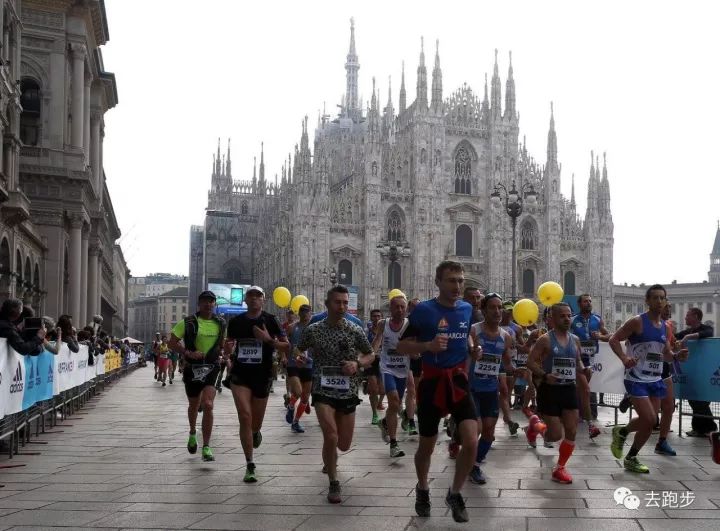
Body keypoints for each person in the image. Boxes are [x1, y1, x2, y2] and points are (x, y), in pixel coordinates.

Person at [396, 261, 477, 524]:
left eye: (461, 281)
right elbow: (401, 346)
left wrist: (472, 347)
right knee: (426, 447)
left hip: (458, 379)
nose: (457, 286)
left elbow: (465, 335)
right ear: (438, 282)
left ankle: (454, 493)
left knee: (471, 440)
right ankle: (422, 488)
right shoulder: (423, 311)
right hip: (431, 382)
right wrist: (428, 345)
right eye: (452, 280)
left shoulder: (467, 308)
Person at [296, 285, 375, 504]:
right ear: (328, 304)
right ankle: (333, 481)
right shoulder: (314, 329)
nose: (342, 307)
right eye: (338, 302)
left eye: (345, 303)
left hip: (347, 390)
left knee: (343, 444)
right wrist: (301, 357)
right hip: (322, 389)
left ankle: (330, 457)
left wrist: (357, 363)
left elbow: (370, 355)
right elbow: (298, 348)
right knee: (331, 435)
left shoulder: (354, 329)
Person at [609, 284, 688, 473]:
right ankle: (624, 435)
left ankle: (630, 453)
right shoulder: (637, 322)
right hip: (636, 378)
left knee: (649, 422)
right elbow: (614, 339)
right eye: (655, 298)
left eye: (662, 298)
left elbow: (665, 354)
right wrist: (624, 358)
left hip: (655, 379)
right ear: (647, 301)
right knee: (651, 418)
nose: (659, 301)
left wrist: (677, 356)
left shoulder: (665, 326)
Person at [225, 286, 288, 483]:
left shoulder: (270, 320)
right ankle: (250, 463)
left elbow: (286, 345)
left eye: (257, 296)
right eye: (250, 296)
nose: (254, 299)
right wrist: (227, 350)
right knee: (245, 416)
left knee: (255, 422)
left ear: (264, 300)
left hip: (262, 375)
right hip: (240, 374)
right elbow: (228, 345)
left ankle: (255, 432)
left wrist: (268, 339)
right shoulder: (235, 322)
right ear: (245, 300)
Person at [526, 303, 590, 484]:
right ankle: (534, 427)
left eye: (569, 315)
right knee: (553, 435)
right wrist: (545, 375)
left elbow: (578, 362)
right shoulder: (545, 340)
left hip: (568, 388)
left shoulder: (575, 340)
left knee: (571, 430)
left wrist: (585, 370)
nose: (567, 319)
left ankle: (560, 467)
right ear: (551, 319)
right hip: (550, 389)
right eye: (562, 316)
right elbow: (531, 362)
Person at [168, 290, 227, 462]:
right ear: (199, 304)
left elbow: (223, 345)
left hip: (212, 367)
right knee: (194, 405)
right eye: (204, 302)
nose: (208, 304)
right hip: (192, 368)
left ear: (214, 304)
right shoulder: (188, 322)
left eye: (211, 302)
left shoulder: (221, 323)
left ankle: (207, 446)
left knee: (208, 405)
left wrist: (225, 352)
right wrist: (188, 353)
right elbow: (171, 342)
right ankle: (193, 432)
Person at [467, 293, 513, 484]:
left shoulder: (506, 337)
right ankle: (467, 457)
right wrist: (473, 350)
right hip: (471, 388)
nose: (497, 311)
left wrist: (521, 372)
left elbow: (507, 364)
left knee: (489, 432)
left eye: (499, 307)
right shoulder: (474, 331)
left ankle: (475, 464)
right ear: (483, 310)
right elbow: (469, 347)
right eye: (492, 307)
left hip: (490, 390)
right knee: (475, 429)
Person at [373, 294, 411, 458]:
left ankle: (384, 423)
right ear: (391, 308)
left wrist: (416, 352)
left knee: (395, 406)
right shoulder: (383, 324)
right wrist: (371, 352)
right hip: (387, 368)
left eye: (403, 307)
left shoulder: (410, 325)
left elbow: (415, 344)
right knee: (394, 400)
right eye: (397, 306)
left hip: (403, 369)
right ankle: (394, 444)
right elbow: (377, 341)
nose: (400, 310)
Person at [571, 294, 610, 439]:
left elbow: (610, 336)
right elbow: (566, 336)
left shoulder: (598, 319)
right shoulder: (573, 319)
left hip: (592, 360)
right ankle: (587, 421)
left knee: (584, 388)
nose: (588, 303)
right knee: (584, 389)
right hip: (577, 359)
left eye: (590, 301)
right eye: (585, 301)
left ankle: (581, 414)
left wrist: (599, 337)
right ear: (579, 304)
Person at [675, 307, 717, 437]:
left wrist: (688, 337)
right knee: (693, 399)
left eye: (688, 315)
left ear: (696, 317)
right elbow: (674, 337)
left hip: (703, 370)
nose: (685, 318)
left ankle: (710, 427)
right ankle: (700, 428)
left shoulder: (705, 328)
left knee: (701, 400)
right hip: (691, 370)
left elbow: (708, 334)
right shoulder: (687, 331)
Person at [286, 304, 314, 433]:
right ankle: (291, 406)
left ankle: (296, 422)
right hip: (294, 364)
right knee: (297, 392)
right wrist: (284, 358)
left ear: (310, 313)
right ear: (299, 314)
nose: (305, 314)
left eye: (307, 312)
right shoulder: (292, 327)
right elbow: (286, 344)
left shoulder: (315, 329)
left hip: (309, 365)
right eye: (302, 312)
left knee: (305, 397)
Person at [366, 308, 386, 424]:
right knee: (374, 389)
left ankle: (380, 402)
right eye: (374, 316)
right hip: (371, 362)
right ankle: (374, 414)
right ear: (371, 317)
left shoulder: (387, 331)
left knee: (382, 389)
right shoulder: (366, 331)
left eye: (379, 316)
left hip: (383, 361)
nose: (376, 318)